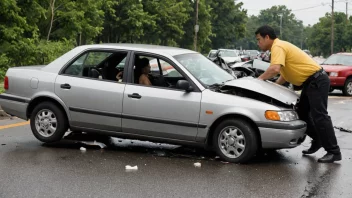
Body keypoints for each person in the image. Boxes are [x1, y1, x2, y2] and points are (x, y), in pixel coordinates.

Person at [255, 25, 341, 163]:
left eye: (259, 39)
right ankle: (318, 139)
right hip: (311, 82)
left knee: (320, 116)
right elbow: (284, 74)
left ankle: (334, 151)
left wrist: (258, 81)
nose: (258, 43)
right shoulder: (278, 48)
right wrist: (275, 87)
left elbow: (275, 69)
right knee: (302, 112)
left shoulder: (278, 47)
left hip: (316, 80)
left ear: (267, 37)